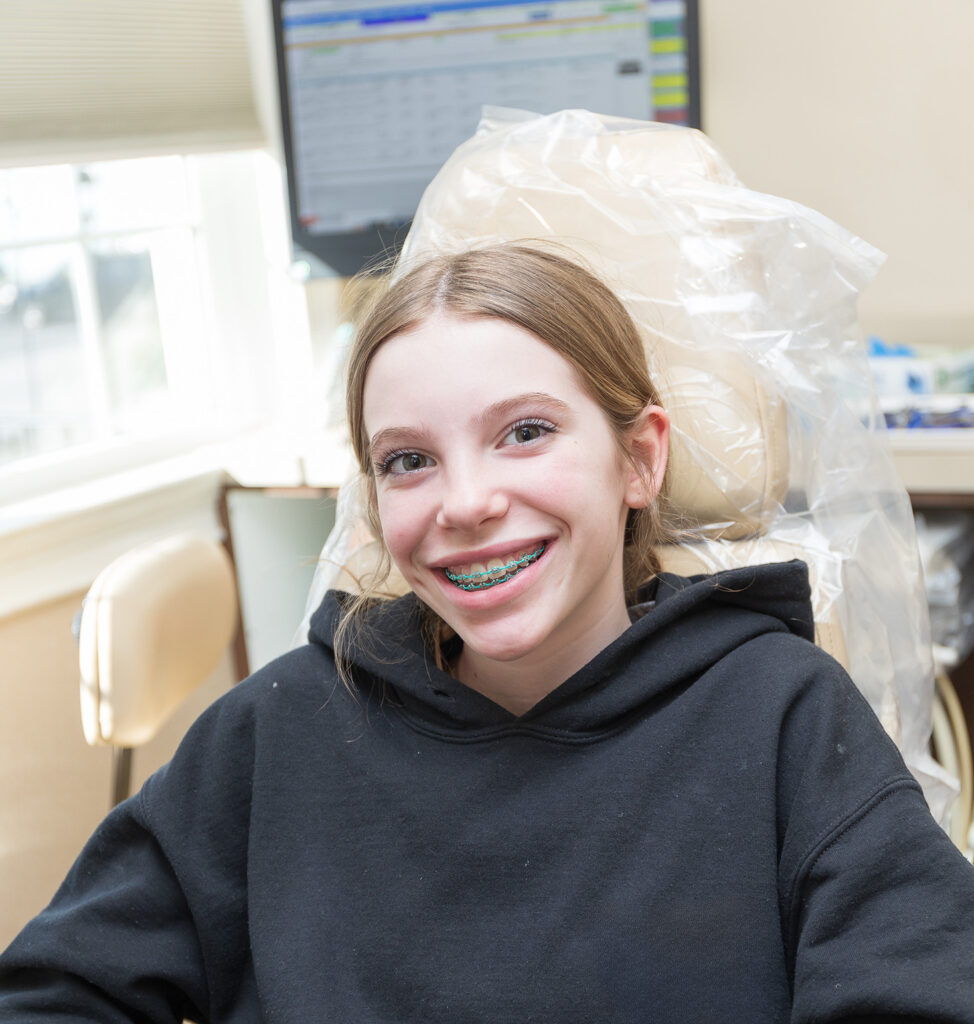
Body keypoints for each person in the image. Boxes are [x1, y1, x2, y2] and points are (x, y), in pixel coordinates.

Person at [2, 243, 974, 1023]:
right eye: (410, 458)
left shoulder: (780, 720)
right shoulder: (274, 732)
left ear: (637, 459)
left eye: (523, 431)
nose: (465, 502)